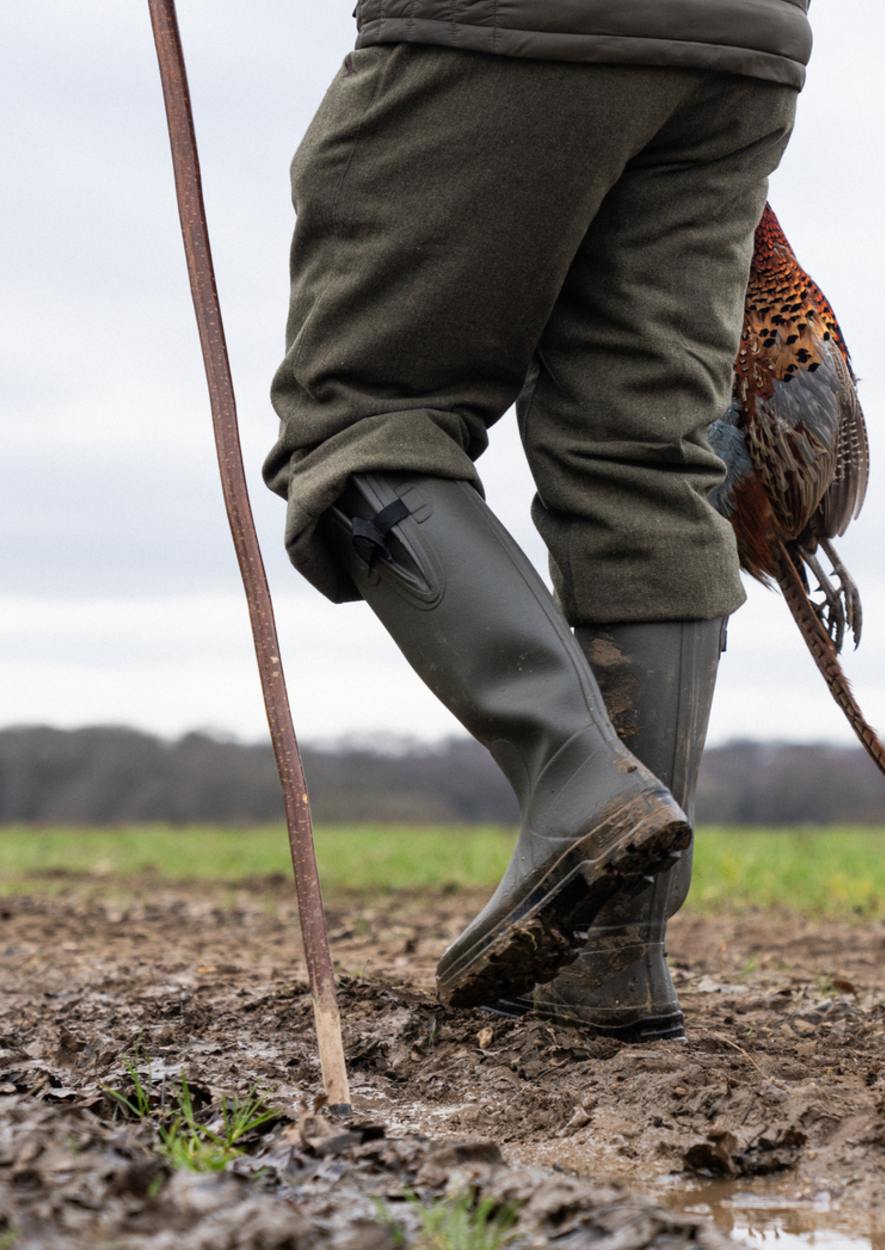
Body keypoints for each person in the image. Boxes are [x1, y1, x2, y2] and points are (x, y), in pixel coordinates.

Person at [265, 1, 811, 1037]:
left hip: (503, 23)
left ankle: (574, 778)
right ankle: (609, 949)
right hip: (744, 44)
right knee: (642, 455)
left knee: (364, 413)